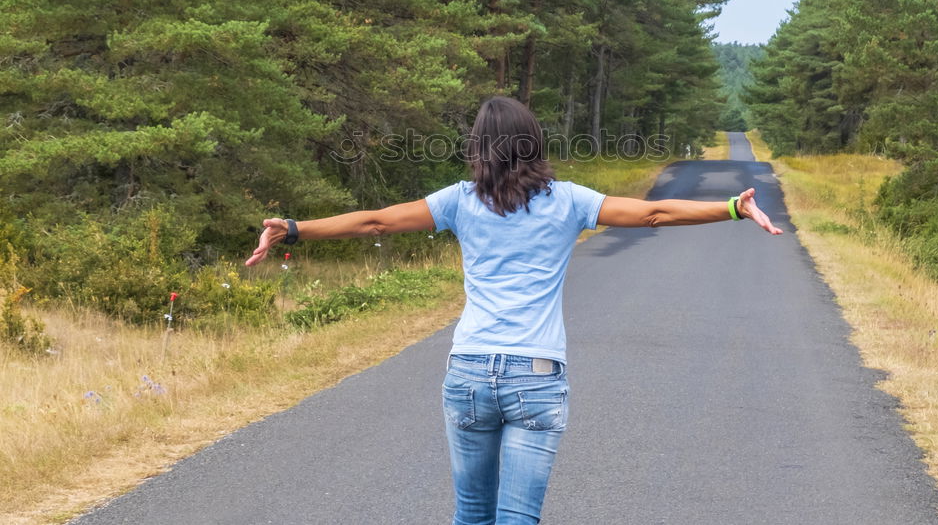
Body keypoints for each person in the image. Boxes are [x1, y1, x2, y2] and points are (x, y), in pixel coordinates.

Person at [245, 96, 782, 525]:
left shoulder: (458, 200)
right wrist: (732, 206)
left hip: (471, 369)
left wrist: (294, 228)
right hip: (537, 373)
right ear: (533, 143)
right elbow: (656, 213)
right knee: (518, 519)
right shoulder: (568, 200)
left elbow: (376, 222)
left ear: (479, 147)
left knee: (471, 516)